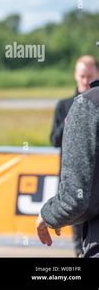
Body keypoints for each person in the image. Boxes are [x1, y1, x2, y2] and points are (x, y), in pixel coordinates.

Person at [37, 78, 99, 257]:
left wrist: (48, 215)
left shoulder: (89, 103)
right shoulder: (70, 104)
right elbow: (54, 139)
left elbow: (75, 200)